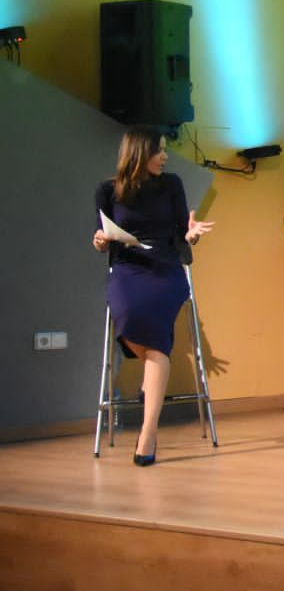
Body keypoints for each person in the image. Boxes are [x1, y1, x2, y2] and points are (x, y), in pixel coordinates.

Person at [92, 127, 215, 466]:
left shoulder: (171, 184)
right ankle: (152, 383)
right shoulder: (107, 191)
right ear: (138, 152)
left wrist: (191, 234)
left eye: (165, 150)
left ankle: (148, 434)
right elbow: (102, 233)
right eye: (158, 150)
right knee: (130, 316)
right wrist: (100, 240)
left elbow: (181, 231)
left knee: (157, 343)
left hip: (165, 268)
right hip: (128, 268)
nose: (164, 156)